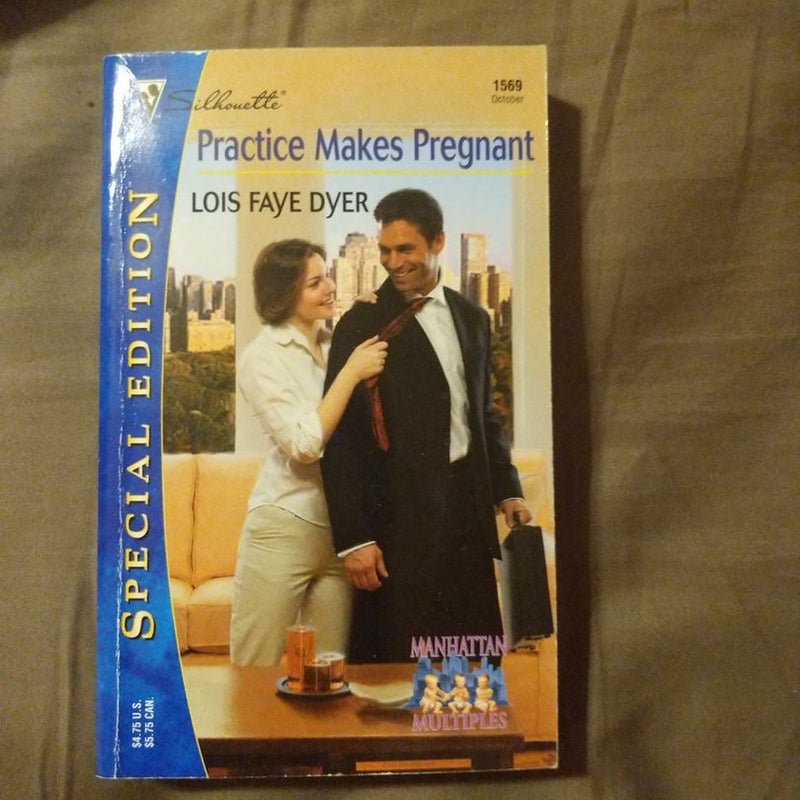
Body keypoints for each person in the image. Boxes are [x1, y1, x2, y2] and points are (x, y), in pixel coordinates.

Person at [321, 188, 532, 663]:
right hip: (395, 526)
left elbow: (483, 416)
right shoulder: (361, 322)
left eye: (405, 249)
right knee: (392, 679)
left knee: (475, 671)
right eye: (385, 251)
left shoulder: (473, 318)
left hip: (467, 518)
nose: (393, 263)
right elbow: (341, 439)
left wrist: (508, 491)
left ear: (437, 242)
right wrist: (355, 538)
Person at [230, 239, 387, 666]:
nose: (330, 287)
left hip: (341, 532)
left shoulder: (336, 344)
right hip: (284, 526)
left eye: (328, 276)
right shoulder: (261, 359)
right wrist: (351, 372)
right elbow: (303, 446)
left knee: (329, 671)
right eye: (315, 283)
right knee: (254, 666)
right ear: (284, 295)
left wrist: (364, 318)